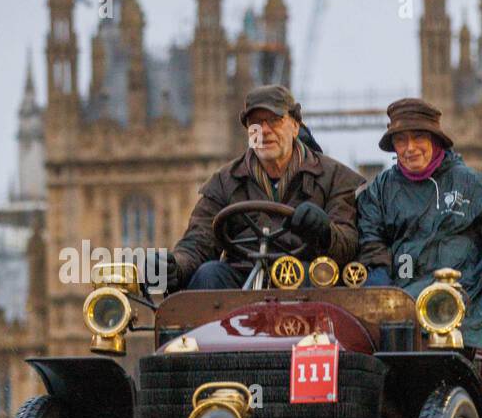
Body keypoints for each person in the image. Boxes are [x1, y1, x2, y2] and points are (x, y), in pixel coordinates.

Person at [356, 98, 482, 358]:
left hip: (460, 302)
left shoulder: (468, 183)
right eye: (401, 140)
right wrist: (377, 268)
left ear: (435, 140)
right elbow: (369, 232)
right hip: (397, 299)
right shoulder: (381, 188)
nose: (410, 148)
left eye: (418, 138)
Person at [152, 85, 365, 292]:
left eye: (274, 120)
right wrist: (175, 266)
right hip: (242, 279)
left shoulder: (334, 176)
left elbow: (349, 243)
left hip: (307, 279)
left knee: (318, 277)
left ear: (295, 125)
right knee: (209, 274)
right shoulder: (224, 181)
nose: (264, 131)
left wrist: (326, 231)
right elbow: (199, 241)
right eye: (255, 123)